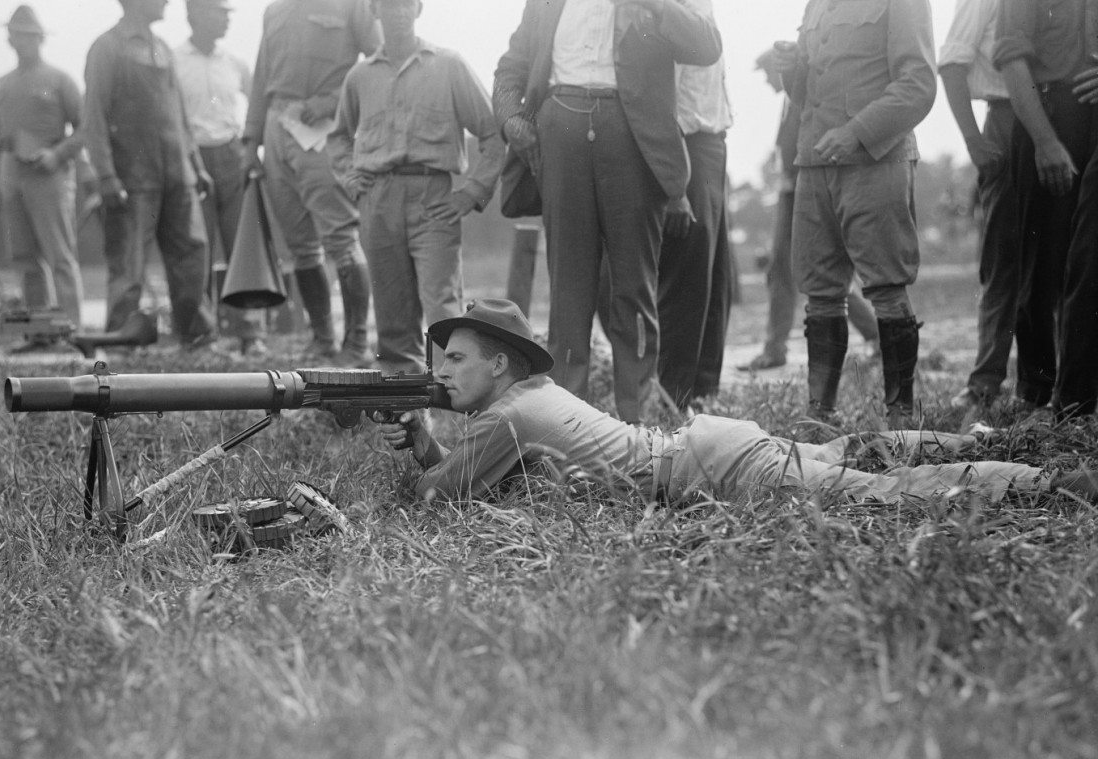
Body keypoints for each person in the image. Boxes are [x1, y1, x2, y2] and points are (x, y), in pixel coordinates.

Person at [376, 299, 1098, 506]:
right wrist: (429, 436)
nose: (443, 370)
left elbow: (439, 496)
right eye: (442, 358)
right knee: (853, 455)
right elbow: (461, 472)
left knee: (883, 494)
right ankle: (997, 447)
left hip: (714, 468)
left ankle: (1049, 482)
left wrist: (421, 442)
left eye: (459, 358)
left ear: (500, 364)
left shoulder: (507, 414)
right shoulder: (528, 391)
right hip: (710, 447)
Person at [493, 0, 722, 424]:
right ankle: (563, 423)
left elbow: (707, 45)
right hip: (559, 132)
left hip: (633, 139)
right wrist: (512, 121)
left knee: (634, 289)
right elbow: (509, 71)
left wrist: (654, 1)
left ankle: (638, 430)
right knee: (569, 291)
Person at [775, 0, 936, 427]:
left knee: (886, 286)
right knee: (820, 292)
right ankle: (820, 413)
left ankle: (901, 415)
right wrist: (791, 69)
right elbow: (804, 92)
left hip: (875, 160)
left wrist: (857, 133)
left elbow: (919, 84)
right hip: (815, 162)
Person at [327, 0, 502, 374]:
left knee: (443, 308)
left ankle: (455, 408)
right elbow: (337, 138)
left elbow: (492, 134)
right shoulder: (360, 76)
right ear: (374, 11)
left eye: (407, 3)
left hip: (433, 198)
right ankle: (406, 415)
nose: (399, 12)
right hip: (378, 200)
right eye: (389, 5)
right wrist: (351, 179)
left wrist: (470, 192)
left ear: (419, 8)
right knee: (391, 312)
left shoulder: (449, 65)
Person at [243, 0, 379, 367]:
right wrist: (250, 140)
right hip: (278, 127)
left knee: (340, 235)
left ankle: (356, 342)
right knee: (301, 245)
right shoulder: (275, 9)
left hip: (326, 132)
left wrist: (335, 101)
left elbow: (378, 62)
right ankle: (321, 339)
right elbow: (261, 78)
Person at [82, 0, 217, 347]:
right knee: (128, 265)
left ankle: (197, 336)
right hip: (133, 179)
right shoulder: (106, 48)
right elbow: (92, 120)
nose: (165, 2)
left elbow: (180, 116)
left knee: (192, 253)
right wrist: (107, 177)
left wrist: (196, 164)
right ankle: (120, 341)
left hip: (178, 173)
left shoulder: (163, 49)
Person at [738, 48, 878, 373]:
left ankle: (775, 349)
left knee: (805, 273)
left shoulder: (802, 95)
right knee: (801, 272)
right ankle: (875, 335)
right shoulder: (791, 99)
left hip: (802, 188)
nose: (767, 80)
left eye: (767, 72)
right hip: (792, 188)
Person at [995, 0, 1098, 418]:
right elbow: (1012, 59)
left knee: (1090, 260)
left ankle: (1080, 392)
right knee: (1042, 262)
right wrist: (1045, 141)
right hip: (1049, 117)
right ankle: (1037, 394)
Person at [939, 0, 1019, 422]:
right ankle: (985, 381)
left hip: (1072, 121)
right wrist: (971, 137)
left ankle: (1054, 381)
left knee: (1069, 261)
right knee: (1003, 259)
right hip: (1007, 120)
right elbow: (952, 61)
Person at [0, 5, 86, 341]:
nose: (20, 41)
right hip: (11, 171)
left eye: (27, 35)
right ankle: (40, 334)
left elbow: (86, 128)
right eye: (15, 34)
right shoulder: (1, 85)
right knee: (24, 258)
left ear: (40, 38)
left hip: (49, 173)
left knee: (60, 255)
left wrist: (57, 154)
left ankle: (72, 332)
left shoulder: (59, 79)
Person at [174, 0, 266, 357]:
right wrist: (188, 160)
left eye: (228, 13)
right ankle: (202, 335)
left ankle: (251, 332)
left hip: (232, 156)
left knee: (242, 248)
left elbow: (257, 101)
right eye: (217, 13)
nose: (226, 19)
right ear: (194, 16)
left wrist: (250, 148)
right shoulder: (175, 61)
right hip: (193, 158)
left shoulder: (234, 63)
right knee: (199, 249)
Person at [656, 0, 733, 413]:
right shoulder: (681, 5)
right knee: (689, 278)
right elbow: (667, 96)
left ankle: (704, 390)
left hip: (715, 146)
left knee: (716, 276)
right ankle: (677, 394)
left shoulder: (705, 5)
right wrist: (675, 181)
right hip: (690, 148)